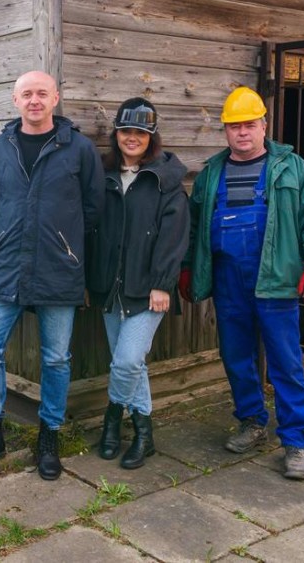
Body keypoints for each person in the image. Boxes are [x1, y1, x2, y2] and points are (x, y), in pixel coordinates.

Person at [0, 71, 104, 480]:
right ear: (14, 101)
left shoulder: (79, 149)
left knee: (55, 358)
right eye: (26, 94)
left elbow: (93, 208)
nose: (34, 101)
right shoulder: (0, 148)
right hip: (6, 267)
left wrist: (63, 243)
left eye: (41, 94)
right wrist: (3, 240)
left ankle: (49, 434)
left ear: (55, 97)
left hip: (59, 268)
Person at [180, 86, 304, 480]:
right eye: (234, 126)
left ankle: (295, 441)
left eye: (249, 124)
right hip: (228, 278)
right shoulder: (212, 173)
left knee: (285, 361)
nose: (242, 133)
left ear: (264, 125)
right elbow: (195, 226)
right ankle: (251, 420)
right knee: (236, 356)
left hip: (277, 279)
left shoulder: (293, 169)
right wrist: (187, 267)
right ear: (226, 131)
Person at [86, 98, 189, 470]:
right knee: (130, 365)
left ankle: (112, 419)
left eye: (140, 133)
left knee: (128, 360)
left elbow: (174, 236)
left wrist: (162, 283)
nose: (132, 138)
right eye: (126, 131)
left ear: (151, 137)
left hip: (148, 291)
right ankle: (144, 435)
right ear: (116, 134)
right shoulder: (104, 176)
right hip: (110, 287)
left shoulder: (166, 179)